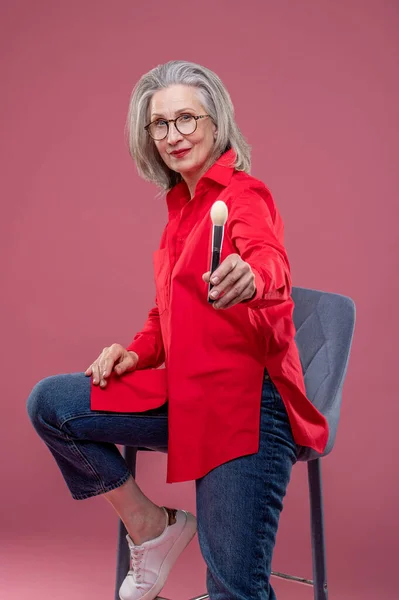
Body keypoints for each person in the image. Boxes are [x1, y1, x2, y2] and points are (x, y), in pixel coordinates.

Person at [27, 60, 328, 600]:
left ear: (217, 123)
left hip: (247, 407)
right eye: (160, 124)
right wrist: (135, 354)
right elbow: (164, 315)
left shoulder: (244, 196)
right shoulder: (182, 210)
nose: (173, 136)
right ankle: (151, 526)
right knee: (52, 403)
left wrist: (251, 277)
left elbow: (272, 265)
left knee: (233, 590)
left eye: (187, 119)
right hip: (189, 393)